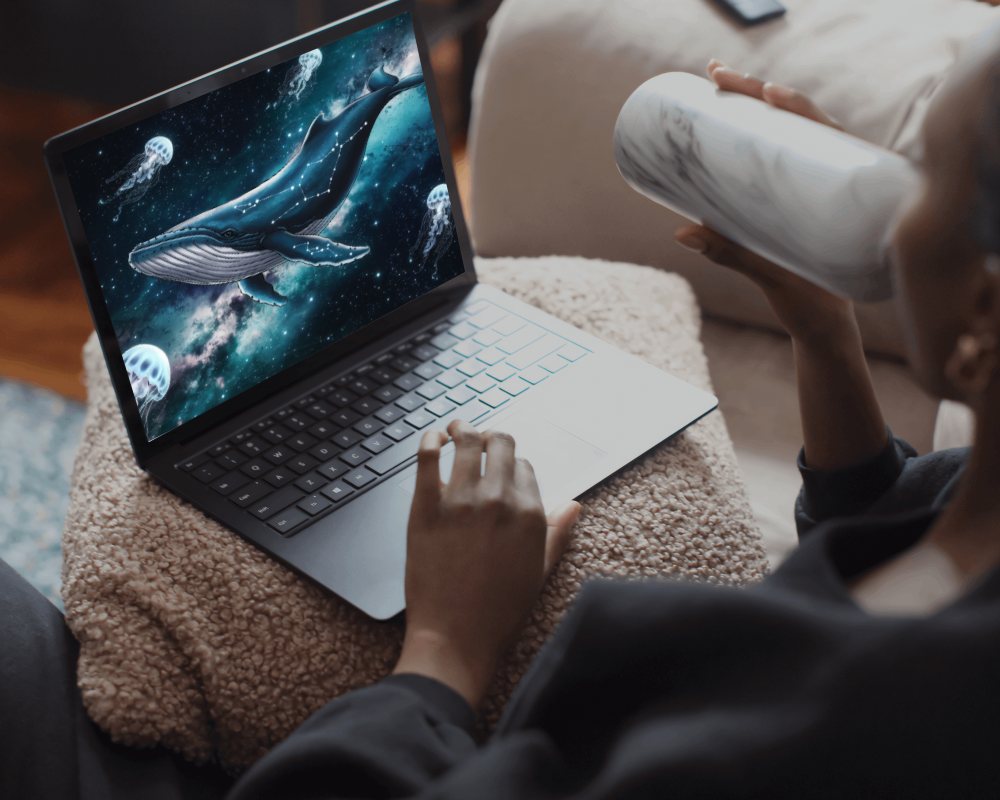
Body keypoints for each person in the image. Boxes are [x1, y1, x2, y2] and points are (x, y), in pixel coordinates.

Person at [6, 20, 1000, 800]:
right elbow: (883, 523)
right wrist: (820, 330)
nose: (882, 187)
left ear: (977, 320)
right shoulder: (967, 526)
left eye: (918, 167)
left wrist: (444, 645)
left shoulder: (807, 724)